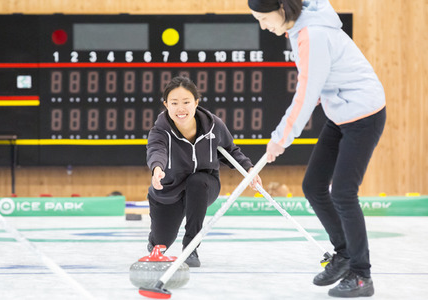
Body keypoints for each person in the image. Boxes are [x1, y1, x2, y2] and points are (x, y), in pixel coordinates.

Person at [248, 0, 386, 298]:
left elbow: (307, 93)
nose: (263, 25)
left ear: (282, 8)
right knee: (313, 185)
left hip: (363, 115)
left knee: (343, 193)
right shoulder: (299, 27)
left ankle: (362, 275)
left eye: (263, 18)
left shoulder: (313, 33)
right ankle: (344, 253)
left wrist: (281, 138)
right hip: (340, 113)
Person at [146, 76, 262, 267]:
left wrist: (249, 169)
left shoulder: (213, 125)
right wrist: (157, 168)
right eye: (174, 103)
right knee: (162, 242)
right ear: (166, 104)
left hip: (204, 184)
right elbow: (157, 151)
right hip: (169, 189)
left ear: (196, 102)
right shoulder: (160, 131)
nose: (180, 108)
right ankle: (155, 242)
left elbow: (231, 151)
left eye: (186, 102)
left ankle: (191, 248)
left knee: (197, 182)